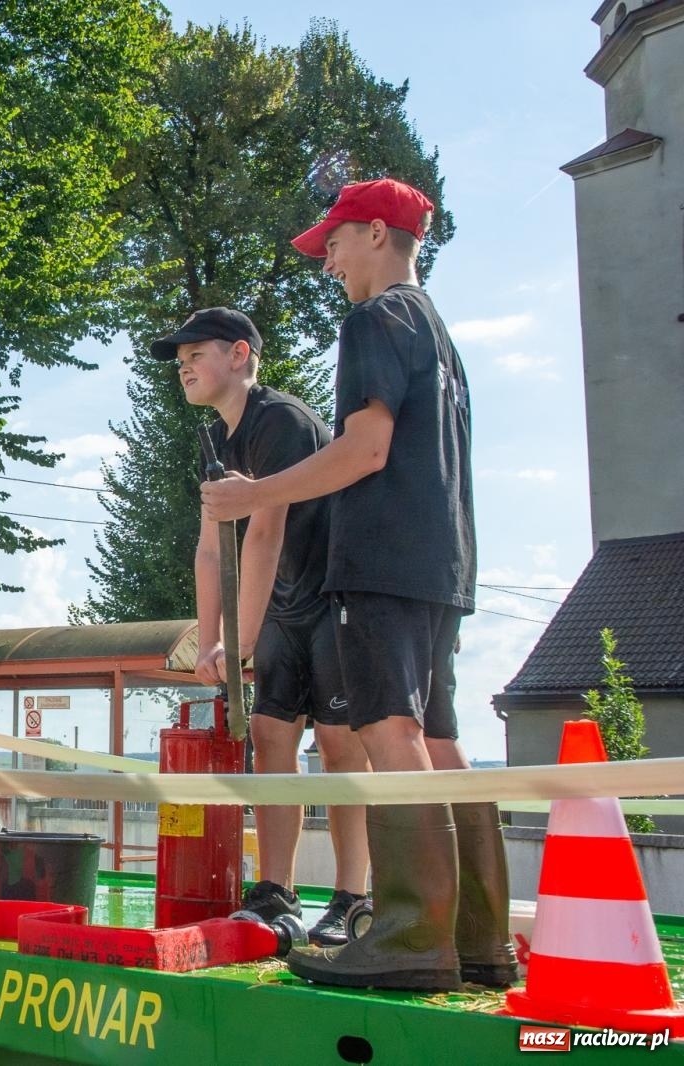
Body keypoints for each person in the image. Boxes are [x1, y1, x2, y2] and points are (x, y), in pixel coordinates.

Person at [201, 177, 515, 991]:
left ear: (378, 234)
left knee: (386, 732)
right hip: (443, 562)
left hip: (380, 558)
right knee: (439, 737)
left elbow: (365, 449)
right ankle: (478, 938)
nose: (328, 259)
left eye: (335, 241)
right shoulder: (439, 333)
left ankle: (412, 934)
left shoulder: (374, 319)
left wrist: (254, 493)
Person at [150, 306, 370, 946]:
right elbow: (212, 546)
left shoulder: (282, 422)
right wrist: (206, 638)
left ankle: (354, 897)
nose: (185, 367)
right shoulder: (215, 439)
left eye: (197, 354)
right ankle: (277, 893)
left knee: (339, 746)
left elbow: (266, 531)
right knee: (272, 736)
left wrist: (239, 644)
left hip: (334, 595)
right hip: (282, 605)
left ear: (240, 355)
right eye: (180, 359)